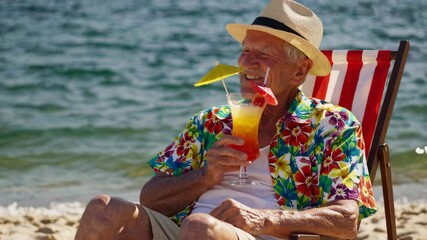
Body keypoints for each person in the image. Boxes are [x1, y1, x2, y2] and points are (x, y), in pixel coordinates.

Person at [75, 0, 377, 239]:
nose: (247, 62)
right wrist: (205, 176)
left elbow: (346, 220)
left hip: (262, 234)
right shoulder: (211, 122)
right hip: (188, 232)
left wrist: (265, 220)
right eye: (245, 50)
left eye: (264, 53)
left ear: (299, 71)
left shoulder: (332, 125)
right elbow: (151, 198)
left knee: (200, 228)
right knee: (103, 209)